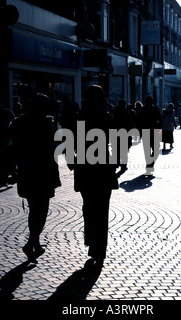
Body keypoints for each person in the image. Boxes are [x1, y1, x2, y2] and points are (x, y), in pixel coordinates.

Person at [71, 85, 119, 270]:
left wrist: (72, 161)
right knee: (102, 210)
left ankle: (91, 241)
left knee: (88, 207)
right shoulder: (107, 118)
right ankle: (100, 249)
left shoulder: (80, 117)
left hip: (85, 167)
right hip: (104, 168)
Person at [9, 93, 61, 262]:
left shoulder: (20, 122)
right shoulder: (46, 124)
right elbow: (51, 151)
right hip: (42, 173)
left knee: (35, 209)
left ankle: (34, 242)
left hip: (28, 171)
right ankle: (33, 241)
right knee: (41, 210)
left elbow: (12, 146)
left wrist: (13, 167)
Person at [136, 96, 162, 175]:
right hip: (154, 131)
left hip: (145, 132)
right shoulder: (155, 108)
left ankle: (149, 164)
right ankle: (151, 163)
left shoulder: (142, 109)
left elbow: (138, 122)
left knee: (147, 151)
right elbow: (160, 119)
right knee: (156, 150)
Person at [113, 99, 133, 171]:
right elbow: (129, 122)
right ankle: (123, 165)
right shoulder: (125, 111)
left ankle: (116, 163)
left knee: (116, 149)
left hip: (116, 132)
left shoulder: (115, 110)